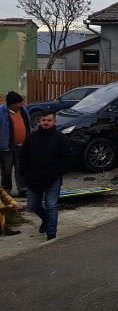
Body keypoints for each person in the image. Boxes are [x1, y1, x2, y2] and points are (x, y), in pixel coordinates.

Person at [19, 111, 67, 240]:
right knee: (33, 205)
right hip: (33, 179)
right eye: (44, 120)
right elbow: (23, 157)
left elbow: (66, 158)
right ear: (40, 121)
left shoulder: (60, 138)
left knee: (51, 205)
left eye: (49, 120)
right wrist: (23, 174)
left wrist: (58, 172)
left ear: (54, 122)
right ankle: (46, 220)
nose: (46, 123)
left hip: (53, 178)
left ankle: (51, 235)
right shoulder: (32, 137)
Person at [0, 91, 31, 197]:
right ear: (10, 104)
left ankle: (23, 189)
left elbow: (27, 125)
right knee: (6, 170)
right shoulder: (1, 112)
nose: (20, 105)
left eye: (20, 103)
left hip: (22, 146)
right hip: (7, 147)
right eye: (17, 103)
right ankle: (6, 190)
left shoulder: (23, 110)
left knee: (21, 168)